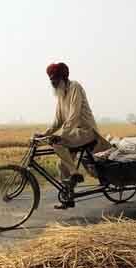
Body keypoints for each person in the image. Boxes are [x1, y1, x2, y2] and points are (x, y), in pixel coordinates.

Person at [35, 62, 109, 209]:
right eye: (51, 81)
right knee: (61, 165)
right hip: (74, 133)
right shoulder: (61, 95)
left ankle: (75, 173)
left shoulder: (75, 87)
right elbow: (58, 121)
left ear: (63, 78)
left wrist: (61, 135)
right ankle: (69, 198)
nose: (53, 83)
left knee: (57, 143)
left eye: (55, 80)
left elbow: (74, 116)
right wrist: (44, 134)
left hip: (86, 131)